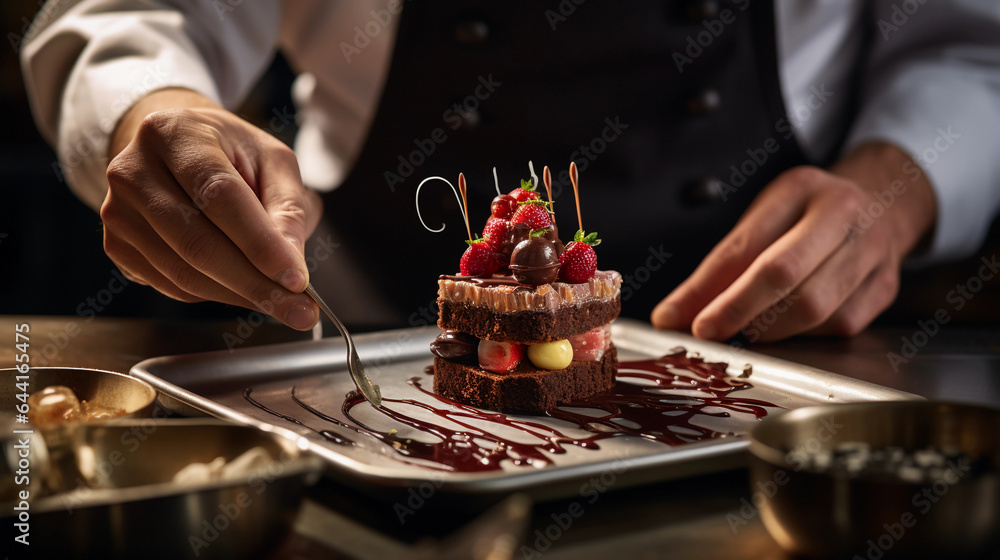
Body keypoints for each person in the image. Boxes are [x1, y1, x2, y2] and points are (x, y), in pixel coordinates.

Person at [20, 1, 1000, 342]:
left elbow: (972, 45)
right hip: (360, 344)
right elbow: (133, 15)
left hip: (788, 361)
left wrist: (896, 186)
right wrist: (152, 111)